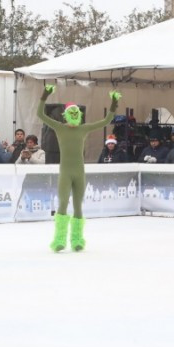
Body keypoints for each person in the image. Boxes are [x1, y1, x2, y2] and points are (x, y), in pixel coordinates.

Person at [37, 84, 118, 251]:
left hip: (79, 172)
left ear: (78, 115)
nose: (74, 114)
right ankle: (59, 239)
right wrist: (45, 94)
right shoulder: (60, 127)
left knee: (78, 206)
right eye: (71, 112)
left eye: (76, 112)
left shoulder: (83, 129)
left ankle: (77, 239)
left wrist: (114, 103)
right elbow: (40, 114)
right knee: (63, 204)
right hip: (66, 173)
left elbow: (106, 121)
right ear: (66, 115)